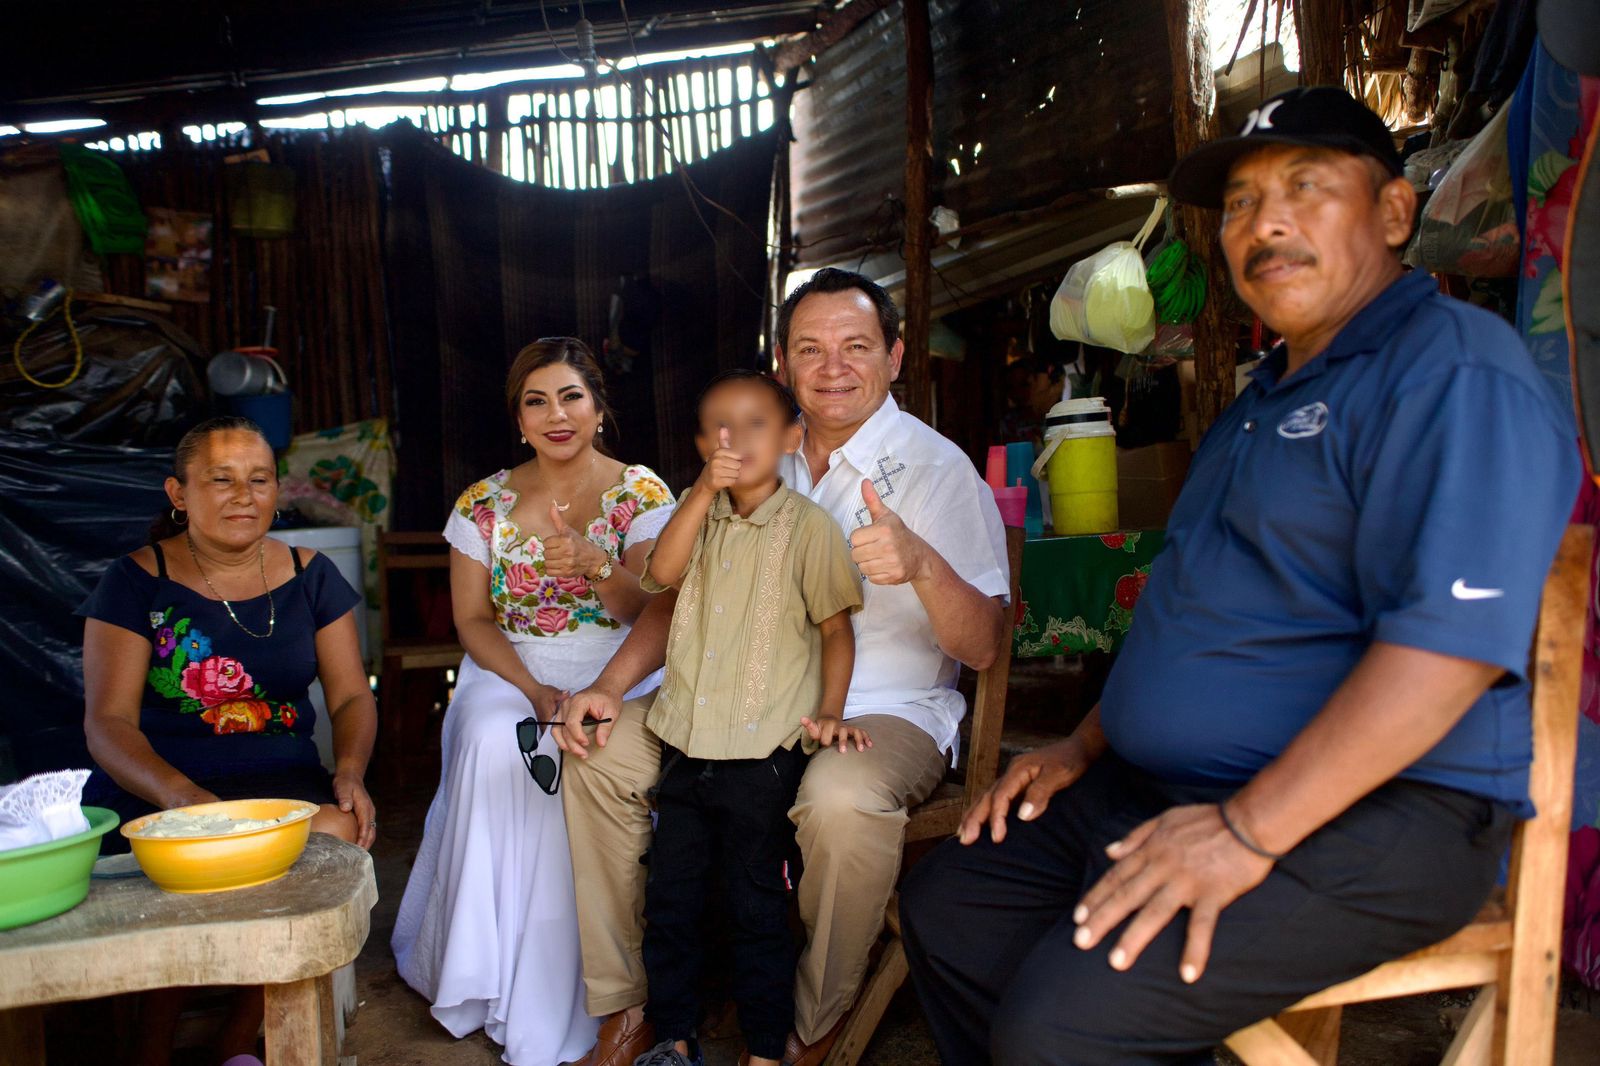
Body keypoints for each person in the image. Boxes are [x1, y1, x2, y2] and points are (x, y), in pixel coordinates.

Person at [899, 85, 1582, 1064]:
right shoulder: (1261, 401)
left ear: (1393, 212)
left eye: (1306, 186)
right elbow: (1189, 610)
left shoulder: (1451, 372)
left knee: (1060, 1025)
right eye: (1240, 203)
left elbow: (1445, 652)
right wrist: (1084, 745)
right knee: (954, 904)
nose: (1265, 222)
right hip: (1161, 785)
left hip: (1379, 812)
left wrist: (1247, 831)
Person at [555, 269, 1011, 1066]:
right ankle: (634, 1006)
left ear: (896, 355)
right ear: (782, 361)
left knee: (840, 800)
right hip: (730, 702)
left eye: (856, 346)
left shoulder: (941, 473)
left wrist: (921, 563)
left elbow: (985, 647)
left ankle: (812, 1022)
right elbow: (673, 592)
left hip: (880, 710)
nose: (833, 367)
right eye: (811, 348)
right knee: (598, 751)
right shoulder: (756, 456)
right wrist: (606, 687)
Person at [391, 337, 676, 1066]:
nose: (557, 415)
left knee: (583, 749)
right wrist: (532, 688)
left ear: (598, 407)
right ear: (518, 418)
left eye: (571, 396)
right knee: (499, 738)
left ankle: (582, 993)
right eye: (536, 400)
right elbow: (473, 621)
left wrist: (592, 562)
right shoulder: (482, 504)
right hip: (510, 667)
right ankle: (486, 978)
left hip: (620, 667)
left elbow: (652, 607)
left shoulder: (640, 494)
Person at [80, 414, 377, 1064]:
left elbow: (352, 695)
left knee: (334, 830)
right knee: (190, 864)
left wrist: (349, 770)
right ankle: (149, 1051)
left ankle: (234, 1047)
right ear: (178, 493)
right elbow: (107, 723)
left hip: (279, 786)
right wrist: (183, 799)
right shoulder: (135, 581)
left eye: (259, 479)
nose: (244, 495)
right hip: (160, 786)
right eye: (221, 479)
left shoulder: (311, 574)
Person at [617, 369, 865, 1066]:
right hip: (686, 746)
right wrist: (700, 490)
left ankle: (762, 1048)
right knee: (672, 900)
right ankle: (675, 1037)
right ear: (702, 443)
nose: (738, 437)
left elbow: (836, 631)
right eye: (722, 425)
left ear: (791, 437)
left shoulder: (812, 529)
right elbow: (660, 573)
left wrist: (829, 713)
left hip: (764, 752)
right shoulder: (698, 520)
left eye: (757, 422)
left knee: (756, 905)